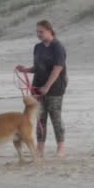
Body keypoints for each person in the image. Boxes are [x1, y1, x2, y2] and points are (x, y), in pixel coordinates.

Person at [15, 19, 67, 157]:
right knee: (40, 118)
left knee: (55, 117)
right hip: (37, 87)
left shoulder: (58, 47)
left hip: (55, 88)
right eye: (37, 32)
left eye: (41, 32)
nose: (38, 34)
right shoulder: (38, 47)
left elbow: (57, 69)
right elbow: (37, 67)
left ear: (50, 31)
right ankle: (40, 148)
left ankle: (60, 147)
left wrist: (47, 86)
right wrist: (25, 70)